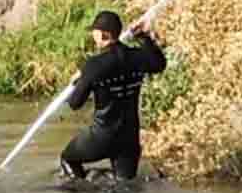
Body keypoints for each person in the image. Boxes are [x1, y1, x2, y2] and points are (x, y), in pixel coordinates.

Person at [58, 10, 167, 181]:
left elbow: (75, 103)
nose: (93, 37)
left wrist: (78, 81)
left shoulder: (94, 65)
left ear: (103, 35)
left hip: (101, 137)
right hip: (129, 139)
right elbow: (160, 63)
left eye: (94, 33)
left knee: (68, 158)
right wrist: (144, 37)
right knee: (125, 188)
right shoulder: (138, 57)